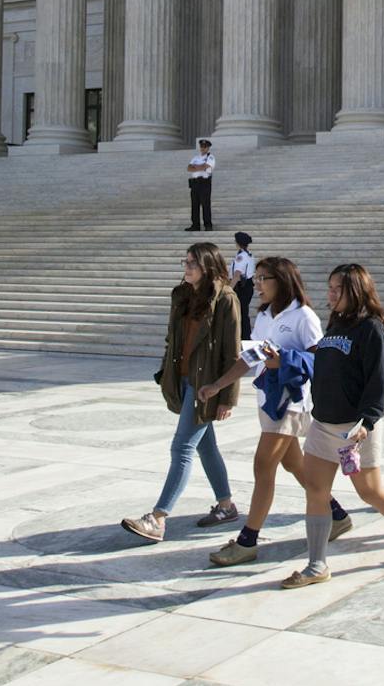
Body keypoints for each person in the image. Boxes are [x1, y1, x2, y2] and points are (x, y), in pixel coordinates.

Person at [279, 263, 384, 587]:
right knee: (316, 491)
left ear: (355, 291)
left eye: (337, 288)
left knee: (370, 491)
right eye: (330, 287)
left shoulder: (372, 329)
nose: (330, 294)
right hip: (324, 424)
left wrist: (368, 421)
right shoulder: (335, 324)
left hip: (356, 427)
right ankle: (316, 564)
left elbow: (377, 380)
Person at [201, 255, 359, 566]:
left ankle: (248, 540)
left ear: (282, 281)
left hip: (292, 402)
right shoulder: (262, 316)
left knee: (263, 467)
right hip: (268, 400)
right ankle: (337, 514)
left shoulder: (303, 316)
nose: (256, 284)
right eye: (256, 278)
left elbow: (321, 360)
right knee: (295, 465)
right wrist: (218, 385)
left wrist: (284, 359)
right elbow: (250, 358)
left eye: (263, 279)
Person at [121, 241, 241, 543]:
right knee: (205, 447)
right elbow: (171, 339)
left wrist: (227, 397)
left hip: (207, 386)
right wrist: (167, 372)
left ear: (208, 266)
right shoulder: (183, 296)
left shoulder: (226, 299)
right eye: (185, 262)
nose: (186, 268)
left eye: (192, 263)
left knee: (182, 448)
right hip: (185, 380)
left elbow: (232, 352)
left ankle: (158, 518)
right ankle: (226, 506)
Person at [227, 233, 255, 333]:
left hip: (241, 286)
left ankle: (243, 335)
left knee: (241, 312)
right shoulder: (248, 254)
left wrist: (228, 289)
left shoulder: (241, 257)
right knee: (243, 312)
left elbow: (237, 275)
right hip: (247, 285)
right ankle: (245, 334)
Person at [186, 138, 216, 232]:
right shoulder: (195, 158)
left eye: (205, 147)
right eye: (202, 146)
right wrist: (200, 167)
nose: (203, 148)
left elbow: (206, 167)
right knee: (194, 205)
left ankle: (208, 225)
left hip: (204, 182)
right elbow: (189, 168)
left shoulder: (210, 157)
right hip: (195, 183)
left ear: (208, 148)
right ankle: (195, 225)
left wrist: (196, 167)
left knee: (205, 204)